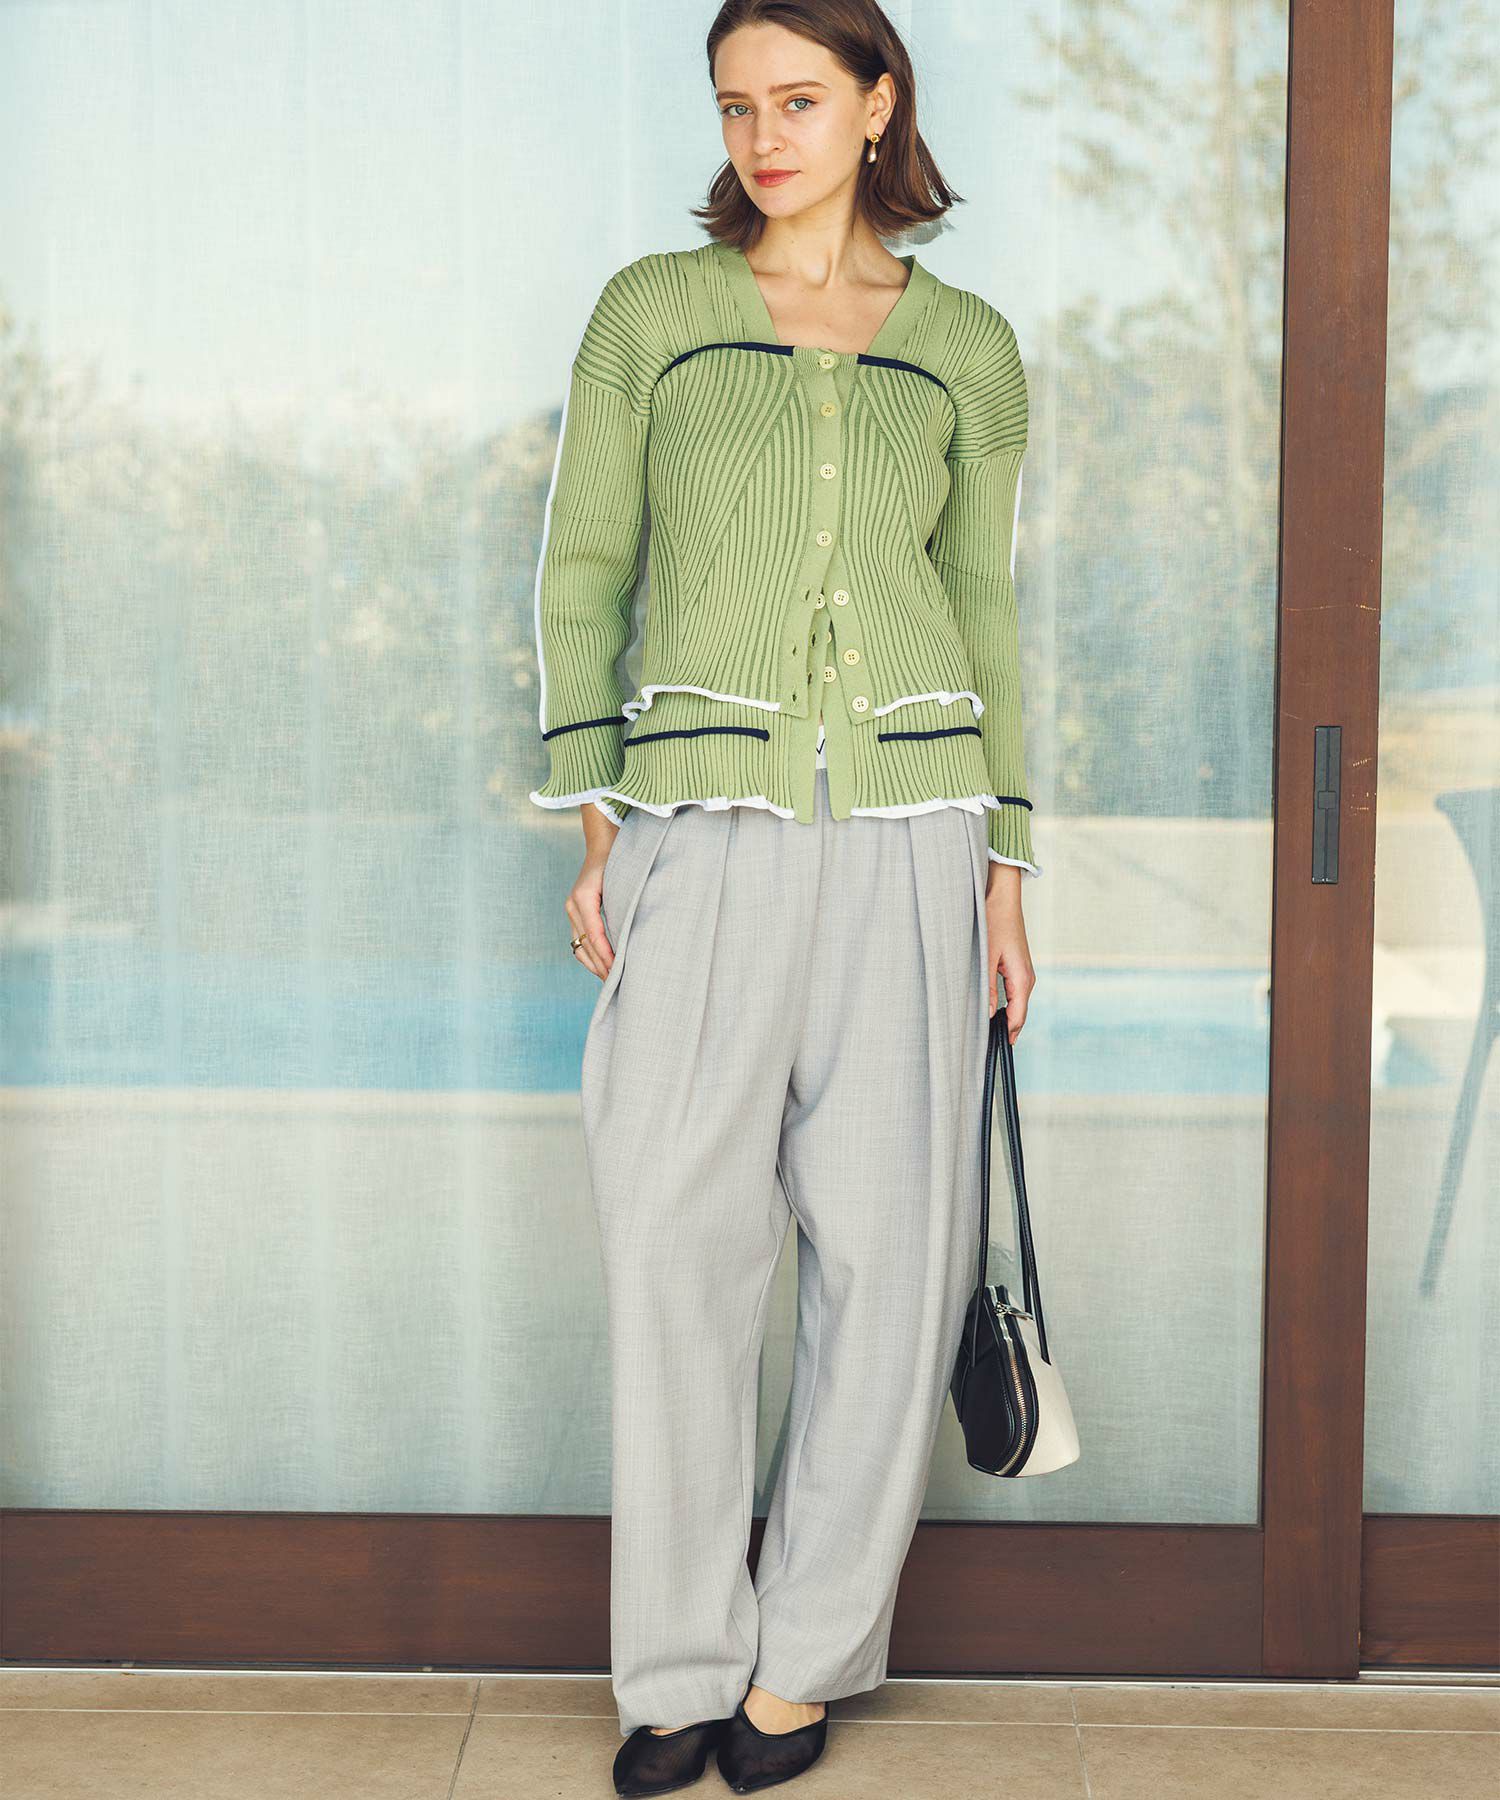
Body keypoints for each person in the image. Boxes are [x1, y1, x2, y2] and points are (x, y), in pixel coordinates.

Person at [529, 3, 1039, 1792]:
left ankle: (801, 1663)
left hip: (915, 831)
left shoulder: (965, 348)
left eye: (801, 99)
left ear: (879, 104)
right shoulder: (652, 317)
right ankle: (675, 1664)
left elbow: (984, 609)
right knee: (676, 1244)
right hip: (702, 821)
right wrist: (598, 817)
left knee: (891, 1261)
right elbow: (586, 563)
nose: (765, 135)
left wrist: (1006, 866)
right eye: (737, 105)